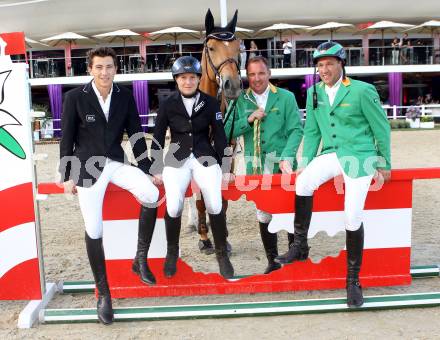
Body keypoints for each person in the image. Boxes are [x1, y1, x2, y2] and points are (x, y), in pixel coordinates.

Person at [275, 41, 391, 308]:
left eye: (328, 64)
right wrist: (306, 161)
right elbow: (312, 130)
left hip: (359, 156)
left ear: (341, 64)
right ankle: (300, 246)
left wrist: (384, 162)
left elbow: (380, 127)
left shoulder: (363, 90)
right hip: (330, 154)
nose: (323, 70)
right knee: (303, 182)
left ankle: (353, 280)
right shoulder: (314, 92)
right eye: (319, 65)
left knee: (352, 215)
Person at [59, 47, 160, 325]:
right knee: (95, 228)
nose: (105, 72)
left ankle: (140, 259)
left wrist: (147, 169)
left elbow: (137, 136)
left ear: (116, 69)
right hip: (86, 166)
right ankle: (104, 294)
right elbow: (66, 138)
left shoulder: (124, 97)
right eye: (99, 67)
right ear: (90, 69)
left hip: (115, 162)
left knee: (151, 193)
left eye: (109, 67)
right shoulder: (74, 98)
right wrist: (67, 174)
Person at [151, 56, 234, 279]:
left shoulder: (210, 103)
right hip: (177, 157)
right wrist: (156, 166)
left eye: (192, 78)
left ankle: (221, 254)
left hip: (204, 156)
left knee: (214, 203)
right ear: (176, 80)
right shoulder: (168, 104)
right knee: (174, 206)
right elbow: (158, 136)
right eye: (183, 78)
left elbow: (219, 135)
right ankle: (171, 253)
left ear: (198, 79)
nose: (187, 82)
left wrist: (225, 166)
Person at [224, 56, 303, 274]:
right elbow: (226, 131)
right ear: (246, 76)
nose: (256, 78)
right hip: (256, 166)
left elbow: (296, 130)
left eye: (261, 73)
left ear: (269, 73)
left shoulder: (286, 97)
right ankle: (272, 260)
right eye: (251, 74)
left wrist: (287, 156)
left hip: (282, 164)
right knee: (264, 213)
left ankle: (293, 257)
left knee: (288, 211)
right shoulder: (239, 100)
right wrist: (248, 121)